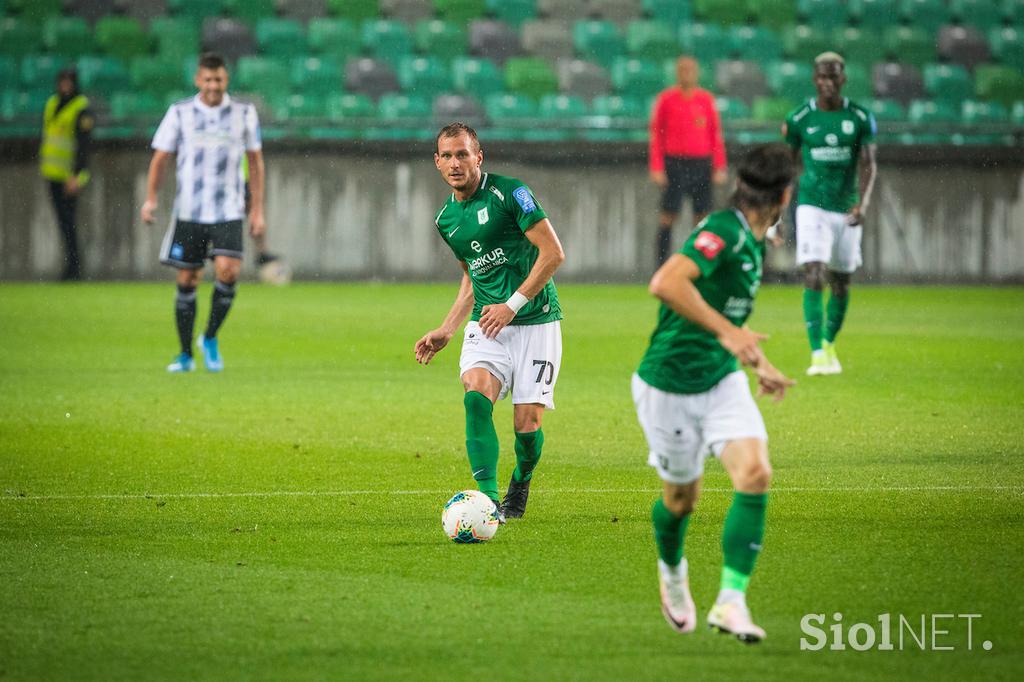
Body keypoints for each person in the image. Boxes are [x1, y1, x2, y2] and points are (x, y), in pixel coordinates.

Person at [632, 144, 797, 643]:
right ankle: (673, 572)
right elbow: (665, 283)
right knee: (682, 501)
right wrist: (729, 332)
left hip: (722, 378)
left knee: (755, 472)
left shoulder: (753, 237)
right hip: (668, 382)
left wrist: (756, 359)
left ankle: (731, 601)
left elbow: (731, 317)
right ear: (784, 194)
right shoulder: (722, 231)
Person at [415, 122, 565, 521]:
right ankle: (488, 504)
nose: (455, 163)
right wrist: (447, 327)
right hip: (487, 326)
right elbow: (473, 274)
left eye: (462, 154)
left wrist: (512, 305)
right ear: (436, 162)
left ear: (478, 157)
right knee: (475, 397)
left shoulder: (510, 192)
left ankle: (522, 478)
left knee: (526, 428)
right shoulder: (446, 219)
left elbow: (553, 253)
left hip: (536, 322)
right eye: (446, 155)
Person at [140, 52, 265, 373]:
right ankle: (185, 355)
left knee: (229, 271)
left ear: (227, 80)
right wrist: (151, 198)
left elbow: (255, 162)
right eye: (208, 79)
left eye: (219, 79)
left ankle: (209, 337)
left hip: (228, 209)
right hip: (190, 212)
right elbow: (160, 158)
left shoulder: (244, 113)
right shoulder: (180, 113)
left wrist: (258, 210)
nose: (213, 85)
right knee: (188, 277)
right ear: (198, 80)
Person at [783, 52, 877, 376]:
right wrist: (782, 209)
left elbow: (869, 164)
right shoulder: (799, 119)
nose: (827, 82)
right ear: (814, 80)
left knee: (840, 281)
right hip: (812, 205)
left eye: (833, 76)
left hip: (846, 208)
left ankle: (829, 342)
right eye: (822, 77)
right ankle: (816, 353)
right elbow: (787, 163)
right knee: (813, 272)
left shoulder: (860, 118)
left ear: (843, 79)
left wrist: (861, 205)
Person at [649, 55, 728, 267]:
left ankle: (699, 265)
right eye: (682, 69)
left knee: (702, 219)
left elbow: (715, 135)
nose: (687, 73)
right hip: (675, 163)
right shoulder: (666, 99)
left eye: (690, 69)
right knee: (668, 216)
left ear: (697, 72)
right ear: (677, 73)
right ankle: (661, 265)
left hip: (700, 164)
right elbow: (657, 134)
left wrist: (719, 165)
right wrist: (657, 166)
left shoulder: (705, 100)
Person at [40, 66, 94, 281]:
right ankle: (71, 266)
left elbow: (84, 146)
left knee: (69, 223)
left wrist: (77, 176)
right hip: (51, 172)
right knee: (63, 223)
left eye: (68, 81)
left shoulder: (81, 107)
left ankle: (74, 268)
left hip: (70, 177)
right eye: (62, 81)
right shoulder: (52, 103)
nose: (65, 86)